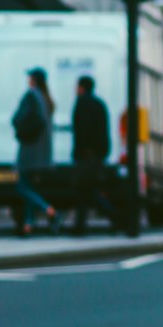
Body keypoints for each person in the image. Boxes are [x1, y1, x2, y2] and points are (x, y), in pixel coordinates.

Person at [11, 68, 57, 235]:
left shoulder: (31, 96)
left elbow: (17, 118)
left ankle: (47, 208)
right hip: (42, 152)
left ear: (34, 80)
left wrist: (19, 128)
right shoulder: (46, 99)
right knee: (29, 185)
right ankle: (28, 224)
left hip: (29, 149)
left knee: (21, 186)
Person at [71, 75, 113, 234]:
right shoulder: (99, 104)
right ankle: (80, 226)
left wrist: (80, 151)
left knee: (84, 190)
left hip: (86, 154)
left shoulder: (82, 103)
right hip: (96, 153)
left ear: (82, 87)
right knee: (86, 190)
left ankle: (82, 225)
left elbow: (81, 131)